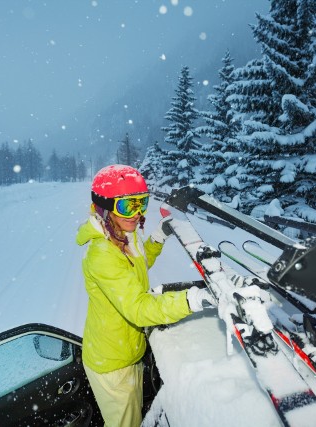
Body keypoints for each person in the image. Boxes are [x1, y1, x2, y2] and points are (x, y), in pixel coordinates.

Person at [76, 164, 215, 427]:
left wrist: (158, 238)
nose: (137, 213)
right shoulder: (102, 253)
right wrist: (192, 299)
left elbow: (138, 266)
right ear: (105, 208)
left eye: (142, 203)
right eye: (128, 206)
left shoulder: (122, 234)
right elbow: (138, 309)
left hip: (128, 350)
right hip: (113, 363)